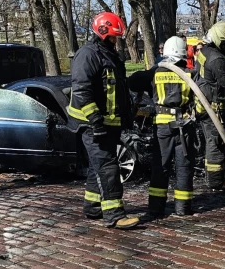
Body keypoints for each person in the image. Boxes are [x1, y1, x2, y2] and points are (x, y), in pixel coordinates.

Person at [68, 12, 140, 229]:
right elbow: (82, 90)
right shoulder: (88, 55)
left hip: (106, 124)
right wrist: (95, 120)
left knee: (98, 166)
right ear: (102, 34)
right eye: (113, 37)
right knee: (108, 167)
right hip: (91, 125)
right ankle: (115, 215)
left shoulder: (108, 55)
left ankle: (93, 206)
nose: (115, 41)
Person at [147, 36, 197, 218]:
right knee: (184, 167)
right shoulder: (190, 72)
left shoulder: (155, 72)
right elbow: (200, 100)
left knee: (161, 166)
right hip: (185, 126)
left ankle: (155, 208)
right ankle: (183, 208)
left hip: (162, 127)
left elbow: (134, 82)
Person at [195, 21, 225, 190]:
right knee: (215, 144)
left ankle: (215, 179)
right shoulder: (217, 59)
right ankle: (215, 181)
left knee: (214, 142)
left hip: (205, 104)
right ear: (221, 41)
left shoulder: (206, 51)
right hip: (214, 108)